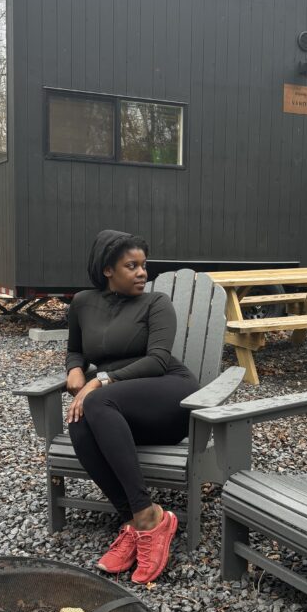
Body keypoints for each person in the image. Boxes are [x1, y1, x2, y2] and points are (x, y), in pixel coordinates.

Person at [64, 229, 199, 584]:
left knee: (97, 400)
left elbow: (157, 359)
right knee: (78, 422)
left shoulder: (156, 304)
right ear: (108, 269)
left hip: (169, 396)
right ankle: (137, 519)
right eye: (132, 266)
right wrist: (74, 369)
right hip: (119, 409)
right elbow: (75, 349)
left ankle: (145, 516)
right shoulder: (82, 303)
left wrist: (99, 379)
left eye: (144, 265)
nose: (143, 273)